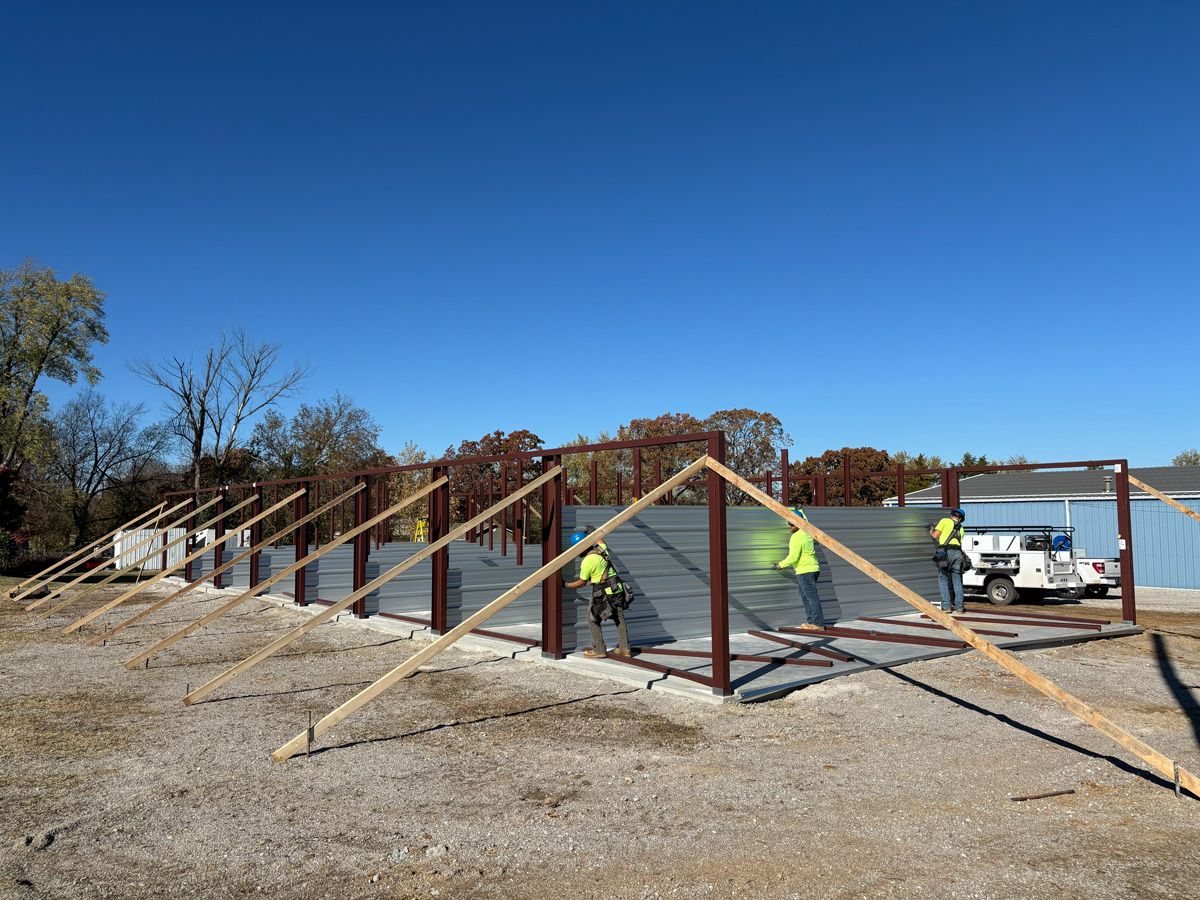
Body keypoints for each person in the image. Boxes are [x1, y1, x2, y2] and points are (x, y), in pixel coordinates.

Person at [563, 527, 632, 658]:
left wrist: (565, 584)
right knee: (619, 618)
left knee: (593, 619)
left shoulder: (587, 562)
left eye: (577, 549)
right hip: (616, 589)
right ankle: (625, 649)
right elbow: (602, 541)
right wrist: (593, 532)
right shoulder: (602, 551)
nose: (577, 553)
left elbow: (581, 583)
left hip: (602, 593)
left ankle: (599, 650)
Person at [774, 507, 824, 632]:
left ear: (797, 523)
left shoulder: (797, 537)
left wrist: (780, 565)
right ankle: (812, 622)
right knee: (806, 596)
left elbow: (793, 557)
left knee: (810, 597)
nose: (789, 526)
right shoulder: (807, 533)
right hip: (812, 569)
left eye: (791, 523)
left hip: (805, 571)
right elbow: (803, 518)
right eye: (788, 523)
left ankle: (817, 624)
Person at [930, 507, 967, 613]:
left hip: (946, 553)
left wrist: (931, 530)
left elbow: (935, 536)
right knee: (957, 581)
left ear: (952, 515)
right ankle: (959, 607)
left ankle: (946, 606)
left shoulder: (945, 521)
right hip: (958, 554)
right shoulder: (961, 528)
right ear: (961, 519)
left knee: (943, 579)